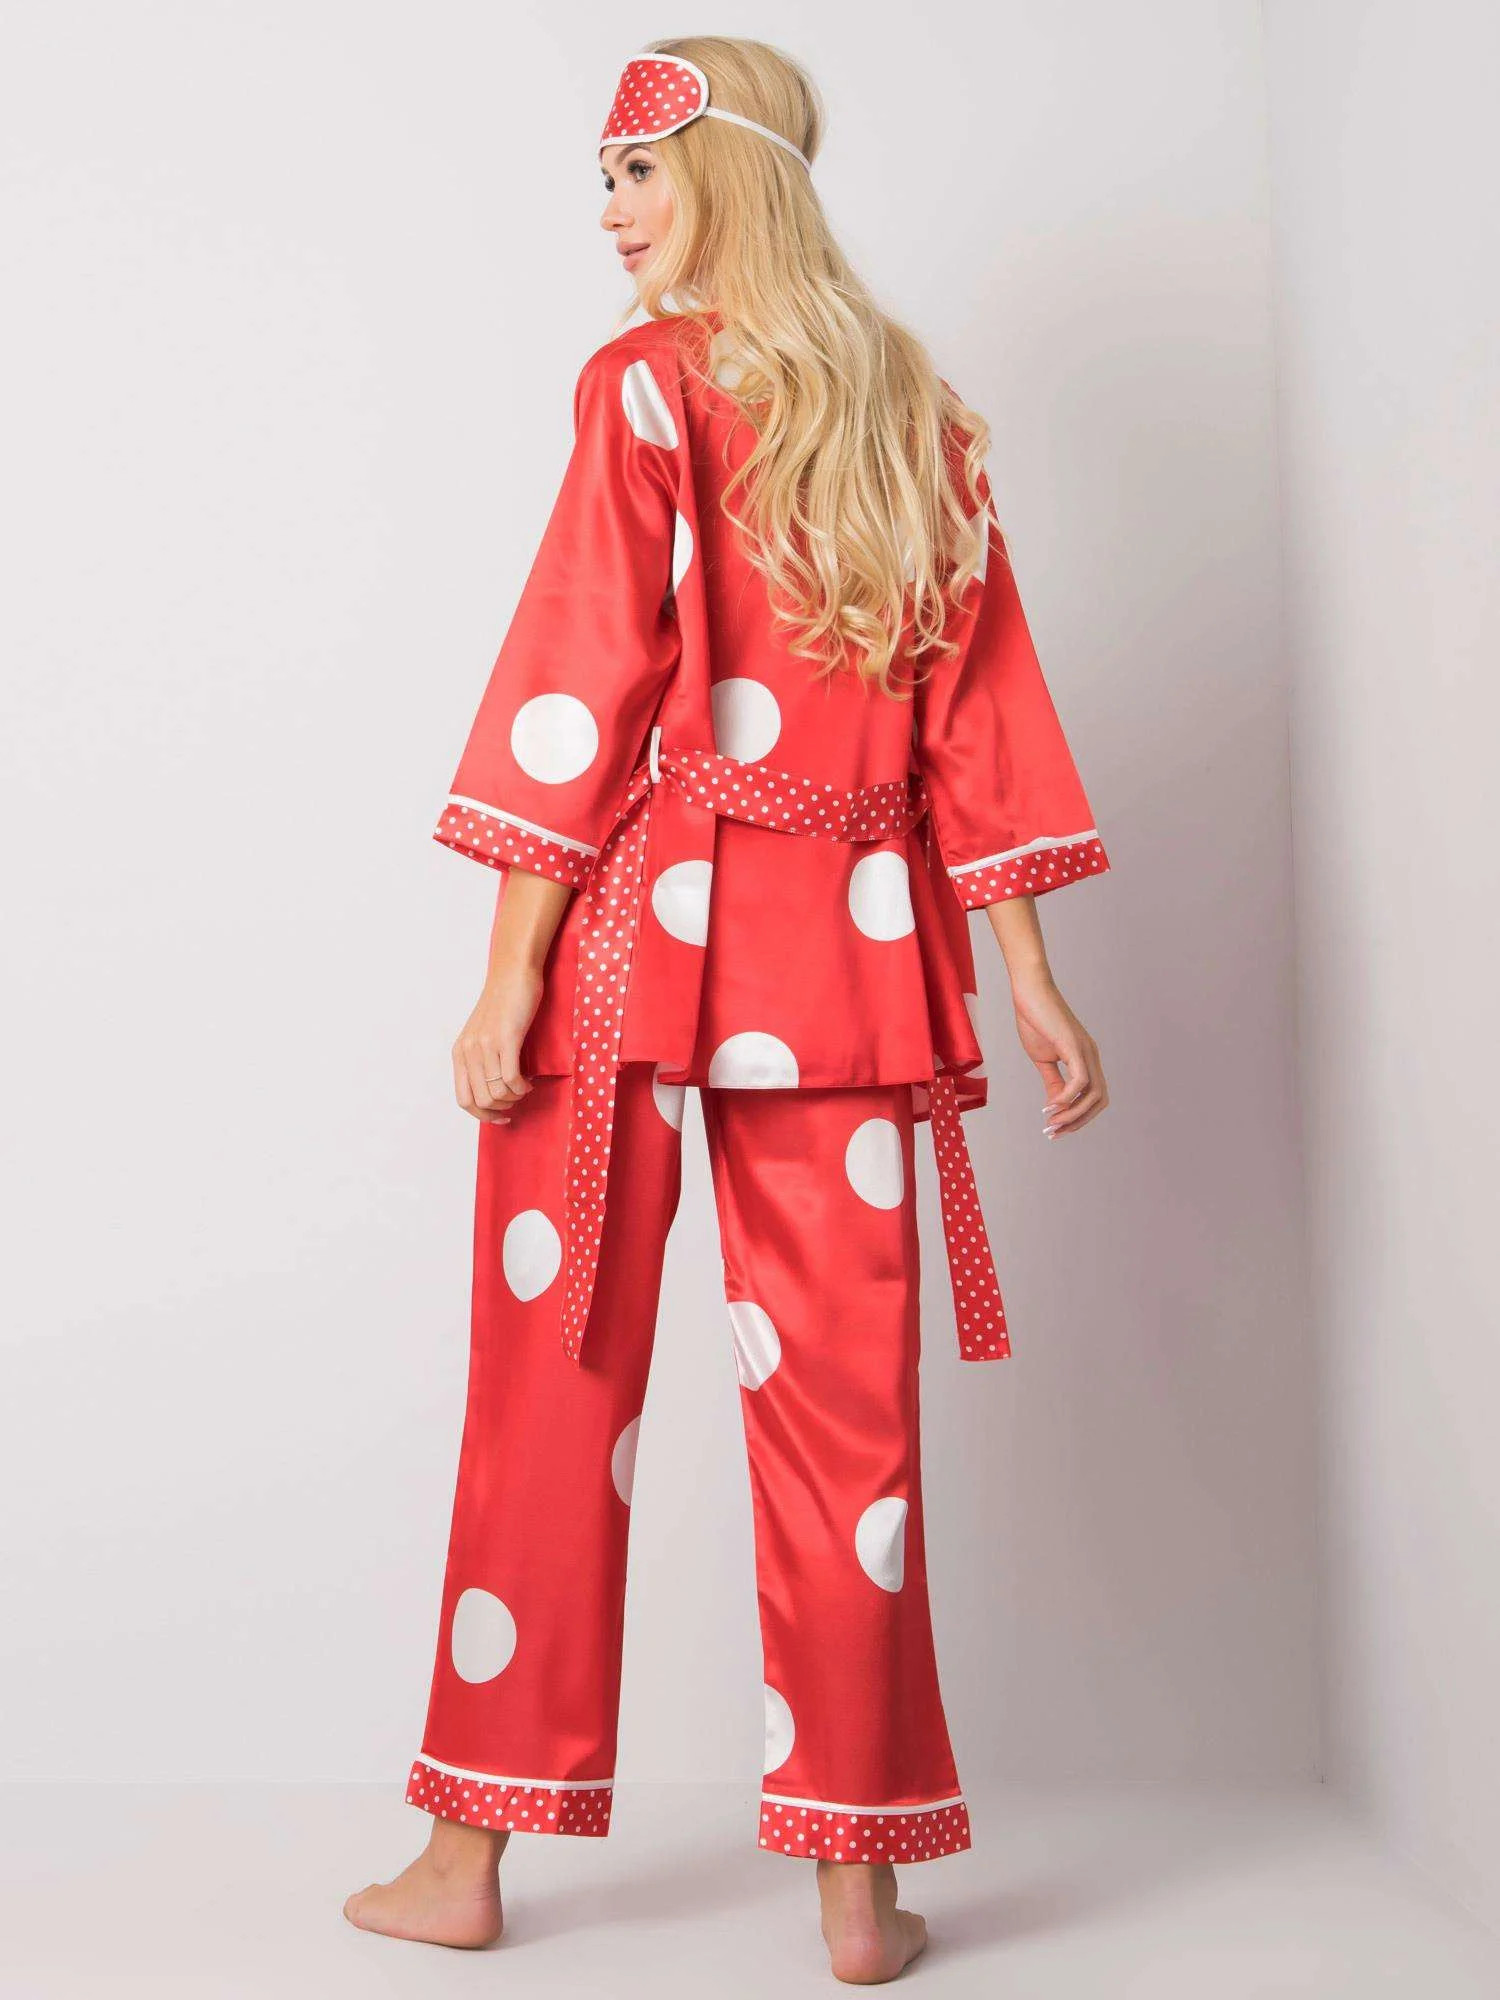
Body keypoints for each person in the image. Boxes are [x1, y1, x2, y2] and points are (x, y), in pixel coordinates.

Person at [344, 34, 1110, 1985]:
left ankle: (464, 1859)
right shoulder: (916, 413)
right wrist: (1026, 976)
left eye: (638, 172)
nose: (610, 213)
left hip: (633, 954)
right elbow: (980, 715)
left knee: (551, 1392)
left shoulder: (647, 386)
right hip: (857, 960)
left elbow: (577, 679)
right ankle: (860, 1894)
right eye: (604, 179)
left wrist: (509, 971)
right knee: (854, 1432)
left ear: (732, 177)